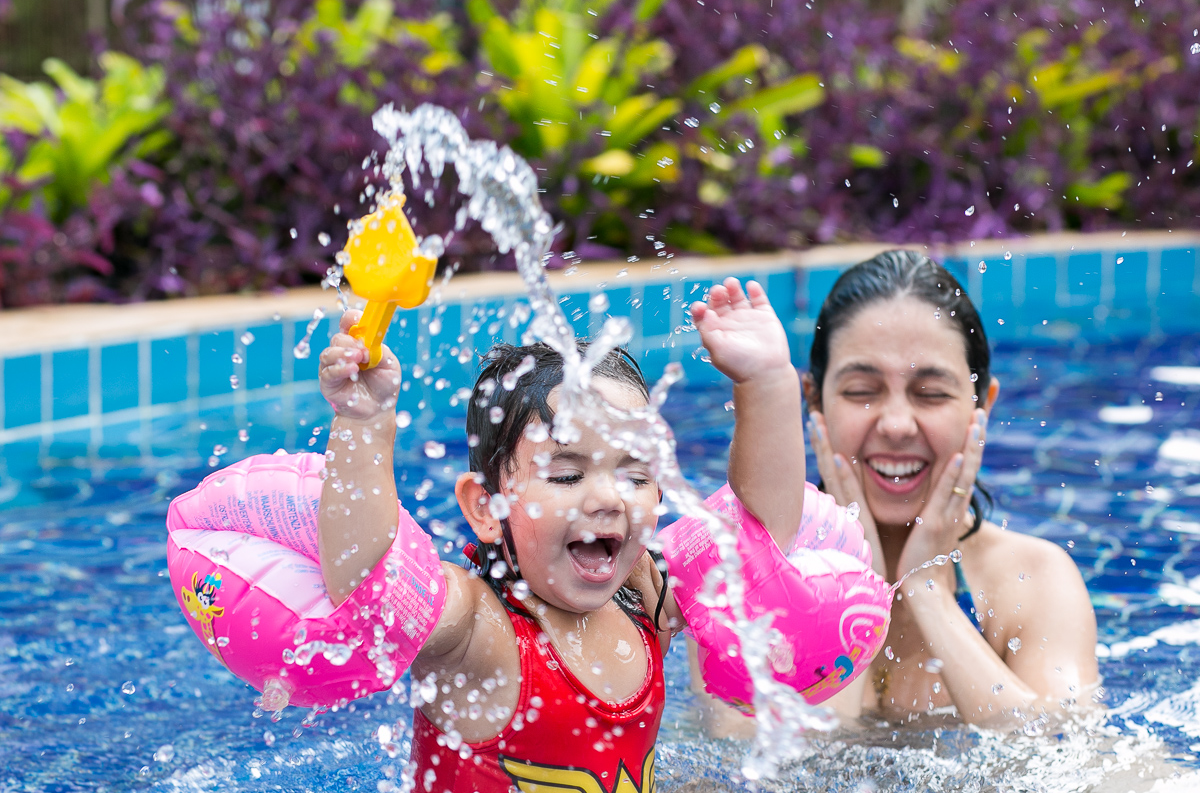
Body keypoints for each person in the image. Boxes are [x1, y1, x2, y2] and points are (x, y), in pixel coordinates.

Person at [317, 277, 811, 792]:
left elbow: (760, 540)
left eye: (635, 476)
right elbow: (369, 588)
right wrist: (364, 422)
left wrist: (767, 382)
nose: (608, 498)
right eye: (568, 475)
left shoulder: (646, 600)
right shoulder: (476, 630)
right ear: (487, 507)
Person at [693, 250, 1097, 735]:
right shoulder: (747, 571)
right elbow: (770, 765)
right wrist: (857, 584)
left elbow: (1065, 755)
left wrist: (929, 592)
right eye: (862, 391)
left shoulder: (1033, 580)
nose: (897, 425)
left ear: (981, 406)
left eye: (931, 394)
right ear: (814, 399)